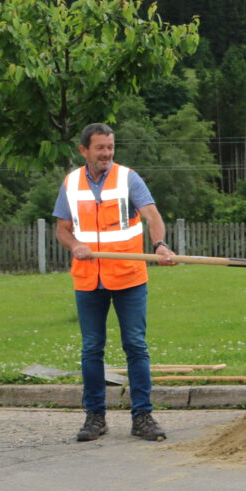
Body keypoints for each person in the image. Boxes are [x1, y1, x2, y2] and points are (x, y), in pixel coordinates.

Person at [53, 122, 177, 443]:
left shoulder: (128, 178)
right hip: (88, 279)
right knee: (92, 348)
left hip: (128, 277)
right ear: (84, 150)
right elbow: (63, 229)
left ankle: (142, 416)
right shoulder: (71, 183)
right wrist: (73, 245)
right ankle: (95, 416)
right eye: (100, 148)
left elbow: (152, 215)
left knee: (135, 346)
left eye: (110, 147)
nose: (107, 153)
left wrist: (160, 245)